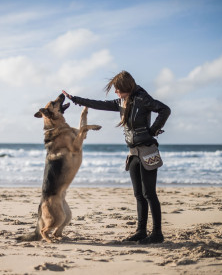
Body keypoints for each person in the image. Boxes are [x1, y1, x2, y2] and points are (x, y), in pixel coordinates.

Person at [62, 70, 171, 244]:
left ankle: (157, 233)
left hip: (147, 151)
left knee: (149, 193)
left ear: (126, 87)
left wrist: (153, 130)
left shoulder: (143, 99)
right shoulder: (123, 101)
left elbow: (165, 110)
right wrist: (76, 99)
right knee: (138, 194)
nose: (115, 92)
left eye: (118, 89)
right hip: (133, 152)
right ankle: (141, 231)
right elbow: (99, 104)